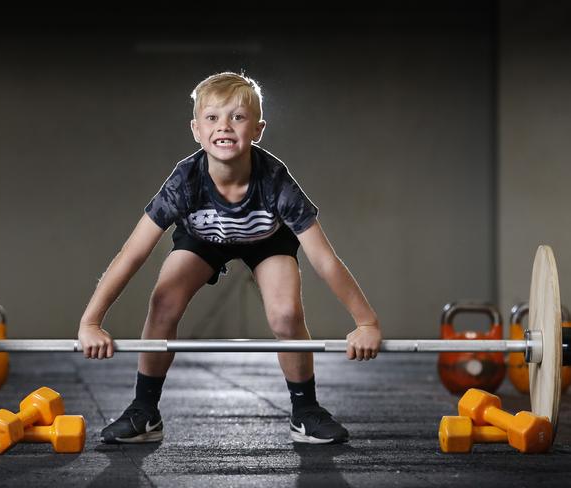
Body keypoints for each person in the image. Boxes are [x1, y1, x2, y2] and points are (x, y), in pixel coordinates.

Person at [78, 72, 382, 445]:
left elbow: (325, 259)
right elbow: (132, 254)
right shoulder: (185, 180)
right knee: (163, 302)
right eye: (212, 118)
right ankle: (145, 411)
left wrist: (366, 322)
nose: (224, 126)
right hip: (203, 239)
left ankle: (305, 412)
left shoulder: (275, 181)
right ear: (196, 129)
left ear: (257, 129)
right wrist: (91, 322)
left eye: (237, 117)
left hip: (266, 241)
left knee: (286, 314)